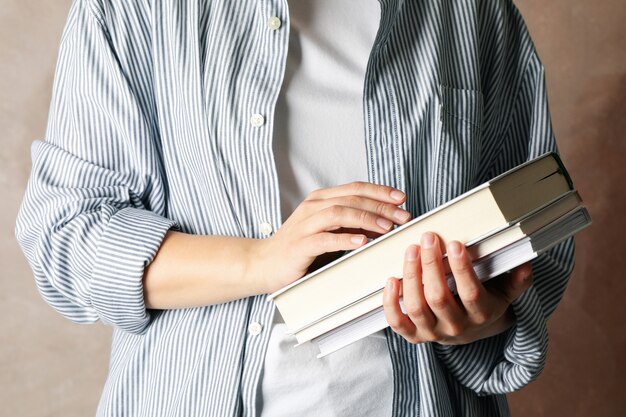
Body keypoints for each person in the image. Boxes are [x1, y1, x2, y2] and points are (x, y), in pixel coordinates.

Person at [16, 1, 574, 416]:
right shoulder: (132, 9)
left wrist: (475, 321)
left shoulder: (475, 14)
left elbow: (534, 245)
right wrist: (263, 261)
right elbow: (68, 237)